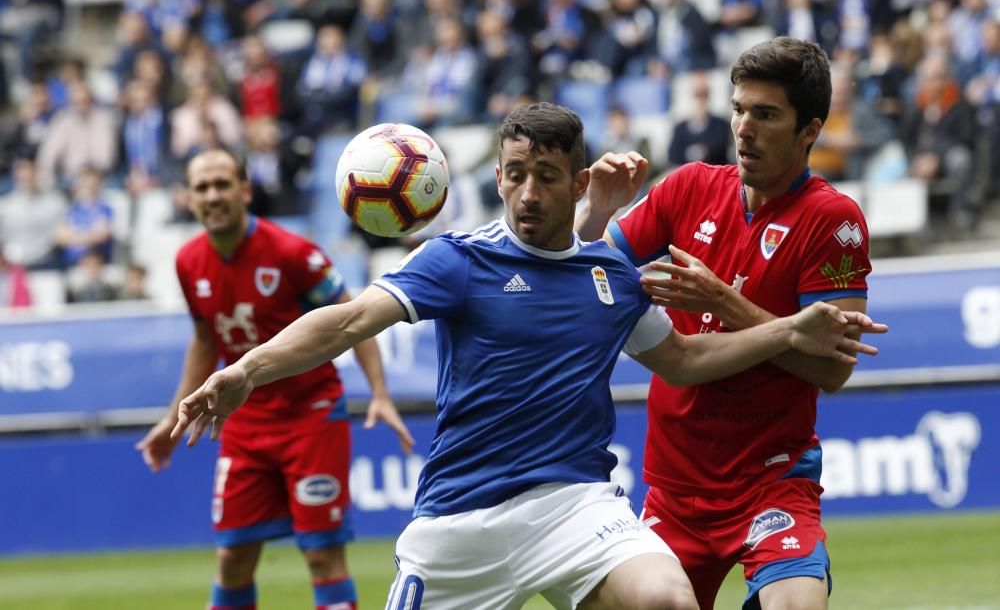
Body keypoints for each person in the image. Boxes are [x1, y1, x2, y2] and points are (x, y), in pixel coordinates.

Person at [172, 103, 886, 610]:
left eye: (547, 176)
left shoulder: (609, 275)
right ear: (498, 178)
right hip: (461, 521)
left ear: (579, 186)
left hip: (573, 507)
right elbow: (349, 319)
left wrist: (789, 331)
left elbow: (687, 361)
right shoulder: (456, 260)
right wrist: (244, 370)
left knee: (666, 599)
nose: (527, 192)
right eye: (514, 174)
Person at [575, 37, 873, 610]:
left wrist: (724, 301)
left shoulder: (833, 221)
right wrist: (597, 211)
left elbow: (832, 371)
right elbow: (581, 270)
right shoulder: (688, 186)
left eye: (766, 115)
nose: (744, 128)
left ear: (810, 129)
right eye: (739, 110)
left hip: (773, 482)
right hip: (675, 486)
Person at [135, 147, 414, 610]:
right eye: (202, 187)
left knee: (323, 555)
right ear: (189, 199)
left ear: (245, 190)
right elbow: (206, 341)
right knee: (232, 558)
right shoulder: (188, 262)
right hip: (242, 426)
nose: (213, 195)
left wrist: (380, 392)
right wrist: (171, 417)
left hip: (311, 420)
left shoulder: (293, 253)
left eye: (222, 184)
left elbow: (353, 319)